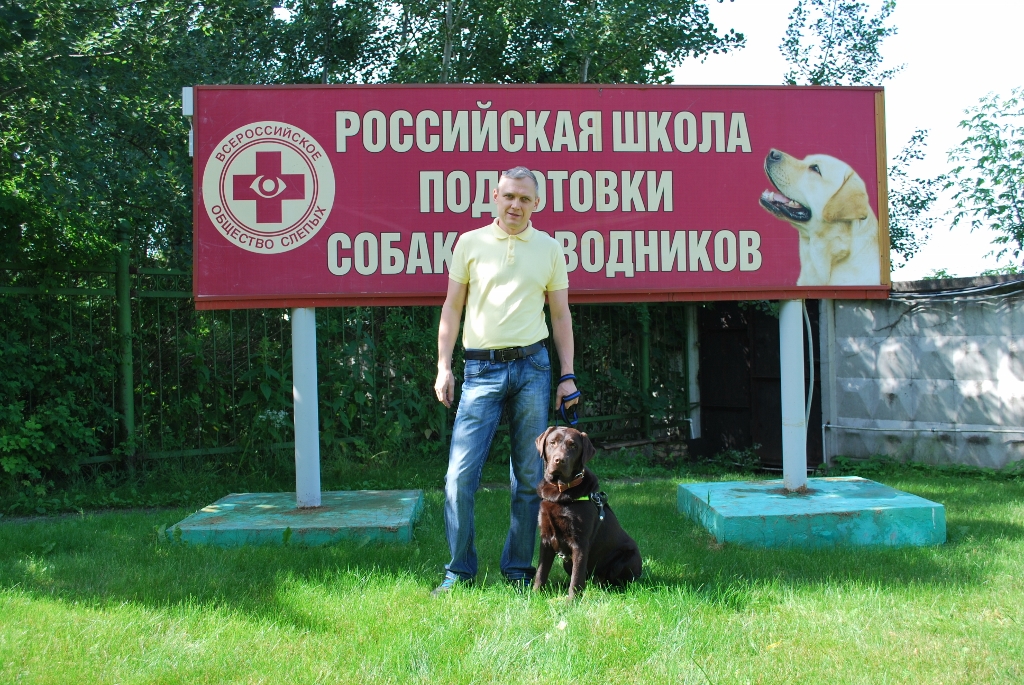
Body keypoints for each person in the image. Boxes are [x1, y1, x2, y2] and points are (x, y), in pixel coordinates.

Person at [432, 166, 578, 595]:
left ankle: (517, 570)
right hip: (480, 371)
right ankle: (459, 572)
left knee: (530, 478)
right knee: (459, 477)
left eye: (525, 199)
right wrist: (443, 366)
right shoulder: (470, 243)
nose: (516, 205)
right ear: (495, 196)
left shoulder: (549, 249)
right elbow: (452, 308)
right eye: (509, 196)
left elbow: (560, 315)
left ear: (537, 204)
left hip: (533, 369)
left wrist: (567, 375)